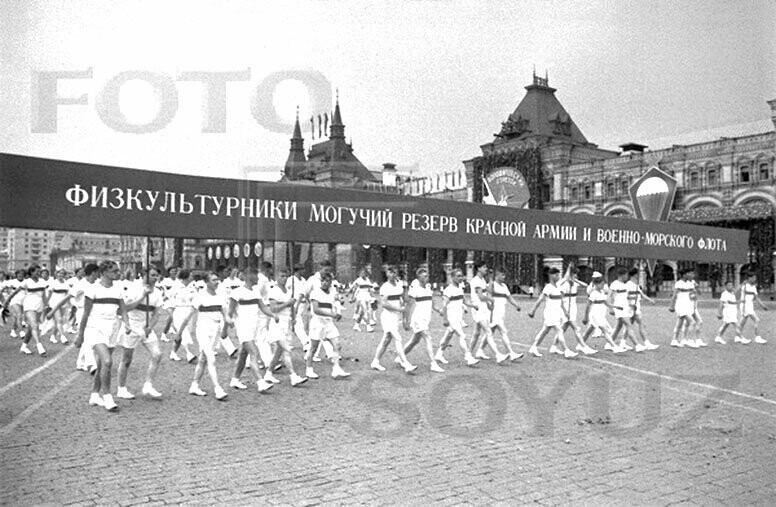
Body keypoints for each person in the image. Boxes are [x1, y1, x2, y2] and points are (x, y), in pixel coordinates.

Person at [75, 260, 130, 412]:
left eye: (118, 271)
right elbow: (85, 313)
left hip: (112, 328)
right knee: (107, 361)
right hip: (95, 328)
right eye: (114, 271)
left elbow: (123, 310)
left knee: (101, 365)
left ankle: (94, 394)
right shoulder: (92, 289)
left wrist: (127, 323)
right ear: (104, 272)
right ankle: (107, 396)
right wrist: (80, 335)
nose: (118, 274)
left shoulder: (118, 290)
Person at [115, 267, 164, 400]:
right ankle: (121, 388)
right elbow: (124, 308)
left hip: (146, 327)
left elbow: (156, 314)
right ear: (144, 275)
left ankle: (148, 385)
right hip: (131, 326)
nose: (155, 278)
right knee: (127, 359)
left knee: (157, 354)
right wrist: (143, 296)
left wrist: (150, 326)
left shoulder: (158, 293)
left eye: (157, 275)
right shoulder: (133, 288)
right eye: (152, 275)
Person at [227, 267, 275, 393]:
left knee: (244, 354)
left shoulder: (255, 292)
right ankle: (260, 382)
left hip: (253, 328)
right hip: (243, 328)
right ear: (249, 276)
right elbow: (230, 312)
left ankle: (235, 379)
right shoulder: (236, 292)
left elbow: (263, 308)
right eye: (256, 275)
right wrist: (226, 326)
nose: (258, 278)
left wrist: (273, 315)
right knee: (254, 353)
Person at [186, 272, 229, 400]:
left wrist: (229, 321)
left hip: (215, 329)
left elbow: (225, 313)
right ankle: (218, 388)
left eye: (217, 279)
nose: (217, 282)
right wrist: (180, 332)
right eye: (214, 280)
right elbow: (189, 315)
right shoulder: (200, 297)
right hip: (203, 330)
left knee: (203, 359)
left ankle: (194, 385)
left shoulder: (221, 296)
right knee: (211, 358)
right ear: (206, 282)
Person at [263, 267, 308, 387]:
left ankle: (268, 373)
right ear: (276, 277)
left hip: (286, 323)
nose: (284, 279)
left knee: (279, 351)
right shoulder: (274, 291)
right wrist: (288, 303)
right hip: (277, 323)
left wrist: (293, 318)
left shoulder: (288, 291)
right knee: (286, 350)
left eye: (286, 276)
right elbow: (273, 309)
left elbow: (291, 307)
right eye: (282, 276)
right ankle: (293, 376)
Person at [398, 268, 445, 373]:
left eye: (427, 275)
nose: (427, 277)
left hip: (426, 318)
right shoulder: (414, 288)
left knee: (415, 341)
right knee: (428, 337)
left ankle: (400, 357)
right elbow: (409, 304)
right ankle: (433, 363)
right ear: (419, 277)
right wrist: (406, 320)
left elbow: (431, 301)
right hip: (418, 318)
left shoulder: (428, 287)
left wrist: (438, 310)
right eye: (424, 276)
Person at [370, 266, 416, 373]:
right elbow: (384, 304)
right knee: (398, 338)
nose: (393, 274)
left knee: (386, 340)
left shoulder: (399, 285)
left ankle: (375, 361)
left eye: (395, 272)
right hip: (387, 316)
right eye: (390, 272)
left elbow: (405, 299)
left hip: (396, 317)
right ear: (386, 274)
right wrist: (399, 309)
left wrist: (405, 288)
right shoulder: (385, 287)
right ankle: (406, 363)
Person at [305, 272, 351, 379]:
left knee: (337, 344)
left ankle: (336, 368)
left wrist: (340, 304)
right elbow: (316, 310)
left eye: (327, 281)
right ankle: (309, 369)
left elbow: (336, 303)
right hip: (317, 322)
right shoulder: (315, 293)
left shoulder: (331, 293)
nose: (324, 283)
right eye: (323, 280)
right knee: (313, 347)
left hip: (328, 323)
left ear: (331, 282)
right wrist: (332, 314)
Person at [527, 268, 578, 358]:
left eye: (558, 275)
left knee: (545, 331)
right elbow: (540, 300)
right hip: (550, 313)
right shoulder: (548, 287)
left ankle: (534, 347)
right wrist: (533, 310)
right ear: (551, 276)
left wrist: (565, 312)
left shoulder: (558, 286)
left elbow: (560, 301)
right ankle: (566, 350)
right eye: (556, 275)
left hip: (557, 312)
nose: (558, 277)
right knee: (559, 330)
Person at [435, 268, 479, 366]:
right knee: (462, 335)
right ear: (452, 277)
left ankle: (439, 354)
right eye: (458, 276)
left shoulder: (459, 288)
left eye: (461, 276)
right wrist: (445, 319)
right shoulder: (448, 290)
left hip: (458, 316)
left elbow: (464, 301)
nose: (461, 278)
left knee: (448, 336)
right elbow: (444, 305)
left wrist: (473, 306)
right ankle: (468, 357)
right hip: (451, 317)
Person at [468, 261, 508, 363]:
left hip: (483, 308)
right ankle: (498, 355)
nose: (486, 269)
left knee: (476, 333)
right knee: (488, 331)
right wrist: (490, 300)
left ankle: (468, 355)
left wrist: (489, 304)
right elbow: (481, 296)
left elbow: (487, 292)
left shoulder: (482, 280)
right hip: (478, 308)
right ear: (478, 268)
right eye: (484, 267)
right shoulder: (476, 281)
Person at [6, 265, 49, 356]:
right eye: (36, 271)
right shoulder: (27, 282)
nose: (38, 273)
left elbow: (44, 295)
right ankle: (39, 346)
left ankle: (24, 346)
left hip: (39, 306)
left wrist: (46, 305)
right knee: (34, 325)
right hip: (29, 305)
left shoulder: (42, 282)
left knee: (31, 328)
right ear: (31, 272)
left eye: (39, 271)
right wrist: (7, 301)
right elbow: (15, 292)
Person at [580, 275, 626, 353]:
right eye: (602, 284)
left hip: (601, 314)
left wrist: (616, 307)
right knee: (605, 330)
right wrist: (586, 317)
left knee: (589, 330)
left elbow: (606, 303)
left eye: (604, 284)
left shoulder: (601, 292)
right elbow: (588, 305)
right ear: (596, 284)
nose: (603, 286)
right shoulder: (594, 293)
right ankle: (614, 346)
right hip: (595, 315)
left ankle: (580, 344)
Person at [488, 269, 524, 361]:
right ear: (497, 275)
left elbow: (509, 297)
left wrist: (516, 305)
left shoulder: (504, 286)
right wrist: (489, 306)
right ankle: (510, 353)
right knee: (501, 331)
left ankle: (480, 350)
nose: (504, 277)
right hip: (493, 312)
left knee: (490, 333)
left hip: (501, 312)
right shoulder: (492, 285)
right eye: (502, 275)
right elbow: (488, 296)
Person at [609, 267, 647, 352]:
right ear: (621, 275)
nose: (627, 276)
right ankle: (637, 345)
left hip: (625, 307)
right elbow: (610, 296)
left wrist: (632, 304)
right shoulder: (615, 284)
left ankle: (609, 343)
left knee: (618, 326)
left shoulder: (625, 285)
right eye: (626, 275)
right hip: (619, 308)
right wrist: (611, 308)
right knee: (629, 325)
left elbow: (626, 297)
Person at [626, 267, 659, 350]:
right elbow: (625, 297)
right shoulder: (628, 285)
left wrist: (650, 300)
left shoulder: (636, 285)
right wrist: (630, 304)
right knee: (635, 324)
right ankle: (645, 343)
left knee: (631, 325)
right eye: (638, 274)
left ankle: (623, 342)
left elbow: (641, 295)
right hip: (630, 308)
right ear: (635, 275)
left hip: (636, 307)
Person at [169, 269, 197, 363]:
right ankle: (189, 354)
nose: (192, 277)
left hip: (189, 312)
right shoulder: (176, 286)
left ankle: (173, 352)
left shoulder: (192, 287)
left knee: (182, 334)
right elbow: (168, 300)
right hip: (179, 311)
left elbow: (196, 299)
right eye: (190, 275)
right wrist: (171, 315)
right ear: (186, 276)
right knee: (184, 332)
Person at [738, 271, 769, 344]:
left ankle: (738, 336)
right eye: (753, 277)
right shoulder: (744, 285)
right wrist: (742, 284)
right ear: (749, 278)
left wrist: (762, 306)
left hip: (749, 306)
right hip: (745, 305)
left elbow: (756, 298)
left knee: (742, 322)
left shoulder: (754, 287)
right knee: (756, 320)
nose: (755, 279)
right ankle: (757, 337)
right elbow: (737, 291)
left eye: (755, 277)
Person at [669, 268, 696, 348]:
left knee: (679, 324)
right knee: (692, 322)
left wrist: (693, 302)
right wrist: (672, 306)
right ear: (684, 275)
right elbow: (674, 296)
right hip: (681, 306)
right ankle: (690, 340)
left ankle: (674, 340)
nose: (690, 275)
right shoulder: (679, 284)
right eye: (688, 273)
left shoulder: (690, 283)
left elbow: (692, 295)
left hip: (688, 305)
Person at [46, 268, 71, 345]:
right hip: (54, 303)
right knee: (59, 319)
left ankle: (53, 336)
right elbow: (49, 294)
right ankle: (62, 336)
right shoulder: (53, 282)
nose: (61, 275)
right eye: (59, 273)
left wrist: (69, 304)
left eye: (63, 274)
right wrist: (46, 303)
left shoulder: (66, 283)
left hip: (63, 304)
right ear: (56, 274)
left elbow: (68, 294)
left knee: (58, 321)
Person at [714, 280, 744, 345]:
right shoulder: (724, 294)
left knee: (725, 325)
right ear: (725, 286)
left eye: (731, 285)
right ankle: (741, 337)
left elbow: (736, 291)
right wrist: (719, 313)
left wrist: (741, 285)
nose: (730, 286)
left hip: (732, 312)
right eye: (729, 285)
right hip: (728, 312)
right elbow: (721, 303)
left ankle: (718, 337)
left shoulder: (732, 293)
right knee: (736, 324)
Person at [1, 269, 26, 339]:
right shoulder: (12, 282)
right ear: (16, 274)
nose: (20, 275)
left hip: (24, 301)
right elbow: (3, 287)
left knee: (17, 318)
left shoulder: (26, 282)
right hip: (14, 301)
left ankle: (13, 331)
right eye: (19, 274)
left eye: (22, 274)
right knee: (19, 315)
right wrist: (6, 296)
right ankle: (21, 332)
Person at [349, 267, 375, 332]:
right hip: (360, 297)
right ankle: (368, 326)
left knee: (362, 312)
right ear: (359, 274)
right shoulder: (358, 280)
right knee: (366, 310)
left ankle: (356, 325)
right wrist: (352, 298)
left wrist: (372, 296)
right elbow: (354, 289)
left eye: (364, 273)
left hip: (367, 296)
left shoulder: (367, 280)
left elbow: (369, 289)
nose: (363, 274)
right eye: (362, 273)